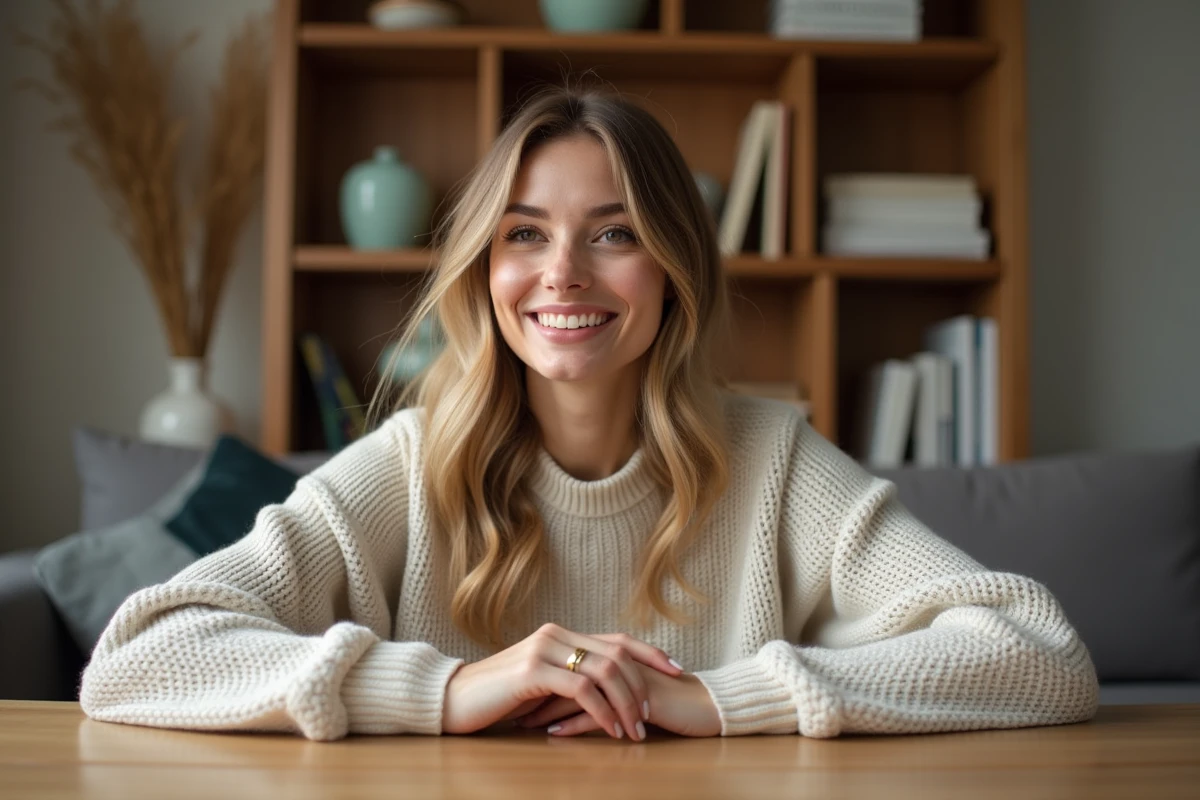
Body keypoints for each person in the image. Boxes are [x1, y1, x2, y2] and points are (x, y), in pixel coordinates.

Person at [79, 86, 1100, 743]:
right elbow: (138, 654)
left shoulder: (774, 458)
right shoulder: (408, 463)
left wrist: (717, 698)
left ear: (673, 267)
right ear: (486, 269)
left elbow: (1038, 652)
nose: (562, 273)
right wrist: (447, 690)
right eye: (525, 233)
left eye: (614, 233)